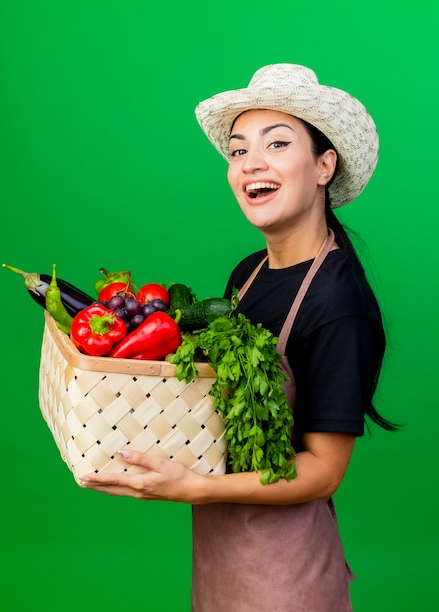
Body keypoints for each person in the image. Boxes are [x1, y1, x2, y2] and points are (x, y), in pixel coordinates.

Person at [79, 64, 397, 611]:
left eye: (277, 143)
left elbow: (322, 472)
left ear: (324, 166)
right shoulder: (246, 275)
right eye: (238, 149)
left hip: (286, 575)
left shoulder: (337, 303)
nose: (252, 163)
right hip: (221, 551)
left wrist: (193, 487)